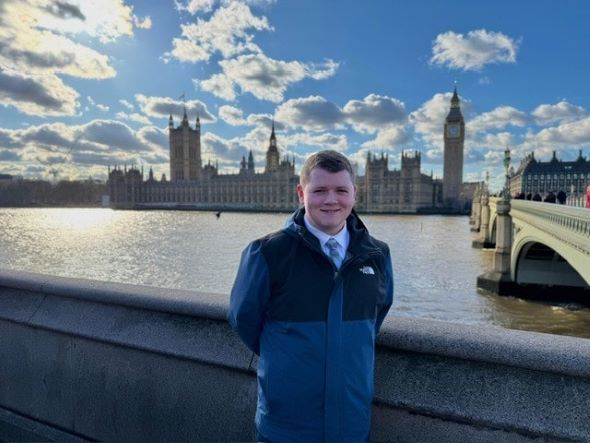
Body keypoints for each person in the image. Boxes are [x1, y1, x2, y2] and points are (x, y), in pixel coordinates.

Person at [228, 150, 394, 442]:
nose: (331, 200)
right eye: (319, 191)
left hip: (352, 426)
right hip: (285, 426)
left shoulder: (378, 255)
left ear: (355, 193)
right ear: (301, 193)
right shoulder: (266, 253)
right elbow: (244, 319)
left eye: (341, 190)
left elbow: (376, 318)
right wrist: (285, 356)